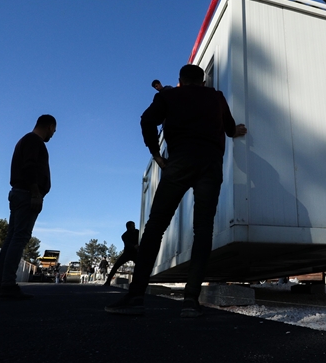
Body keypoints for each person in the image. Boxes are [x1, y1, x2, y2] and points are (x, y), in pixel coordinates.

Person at [105, 64, 246, 317]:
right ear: (203, 81)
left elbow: (147, 120)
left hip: (179, 162)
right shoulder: (216, 97)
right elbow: (229, 128)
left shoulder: (168, 96)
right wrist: (236, 132)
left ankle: (136, 296)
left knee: (155, 227)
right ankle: (191, 301)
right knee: (203, 230)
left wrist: (156, 154)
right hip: (209, 165)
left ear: (180, 80)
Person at [0, 114, 56, 300]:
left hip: (20, 193)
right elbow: (29, 167)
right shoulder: (34, 141)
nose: (53, 134)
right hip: (27, 194)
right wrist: (35, 192)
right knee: (19, 238)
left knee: (12, 238)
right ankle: (7, 286)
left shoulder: (25, 140)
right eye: (54, 130)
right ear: (49, 126)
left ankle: (0, 285)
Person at [103, 221, 139, 286]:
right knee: (116, 265)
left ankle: (137, 282)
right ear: (128, 227)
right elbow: (127, 243)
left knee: (140, 267)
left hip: (135, 253)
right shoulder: (124, 235)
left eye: (134, 225)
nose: (134, 227)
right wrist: (134, 246)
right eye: (132, 226)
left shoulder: (137, 232)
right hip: (127, 253)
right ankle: (108, 281)